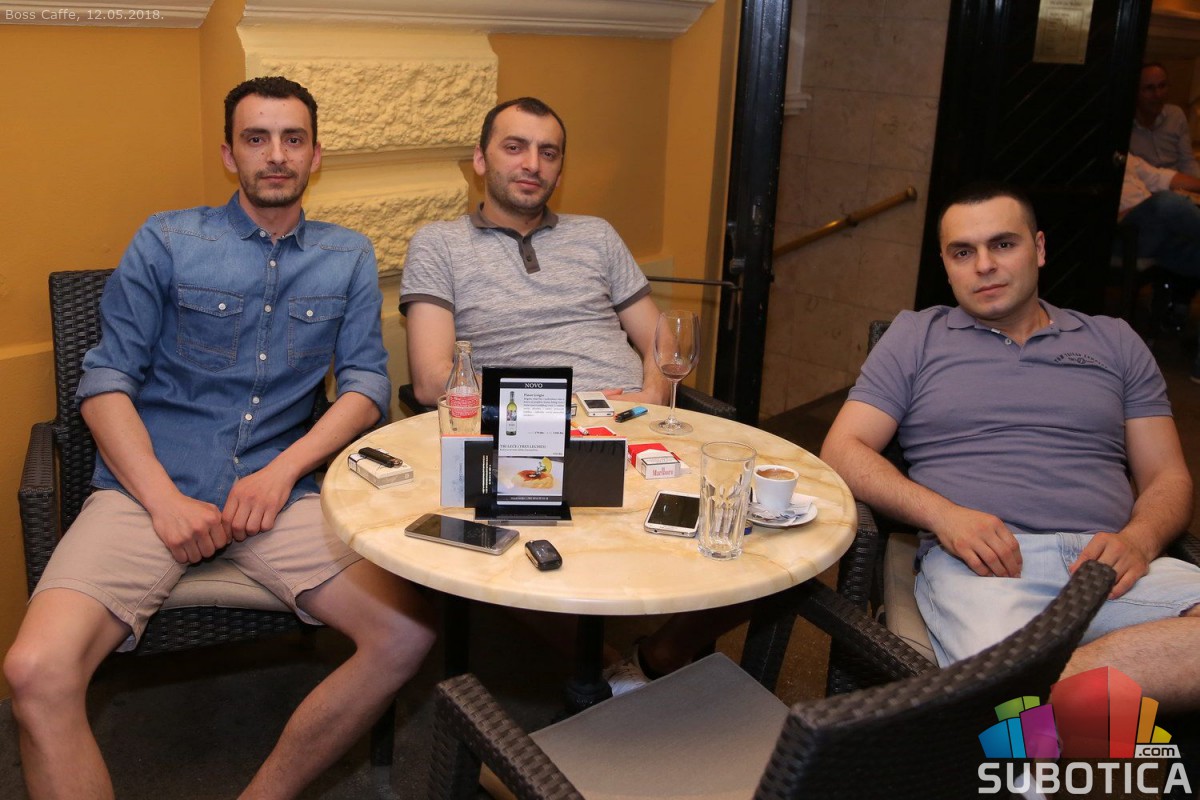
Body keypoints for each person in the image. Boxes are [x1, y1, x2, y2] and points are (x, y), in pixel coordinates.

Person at [2, 76, 436, 799]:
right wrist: (164, 500)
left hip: (280, 497)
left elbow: (365, 386)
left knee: (407, 635)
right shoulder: (168, 239)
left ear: (315, 155)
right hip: (147, 492)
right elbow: (103, 385)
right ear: (230, 154)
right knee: (33, 671)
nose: (276, 155)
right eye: (256, 138)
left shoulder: (349, 255)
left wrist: (280, 473)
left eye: (293, 139)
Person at [820, 182, 1200, 711]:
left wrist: (1140, 539)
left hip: (1111, 565)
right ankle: (1057, 702)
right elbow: (843, 449)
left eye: (1002, 244)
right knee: (1018, 698)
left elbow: (1168, 476)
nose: (984, 265)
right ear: (946, 266)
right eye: (962, 252)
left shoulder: (1114, 342)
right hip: (984, 569)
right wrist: (944, 516)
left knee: (1010, 700)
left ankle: (1037, 695)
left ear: (1038, 249)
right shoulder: (916, 337)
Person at [399, 96, 668, 407]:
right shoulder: (439, 244)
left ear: (560, 173)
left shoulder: (598, 234)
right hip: (524, 426)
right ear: (481, 160)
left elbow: (663, 341)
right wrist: (560, 403)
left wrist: (653, 395)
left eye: (548, 153)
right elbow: (431, 380)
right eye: (514, 147)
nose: (533, 165)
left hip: (633, 415)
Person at [1119, 152, 1200, 381]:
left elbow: (1162, 176)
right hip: (1122, 234)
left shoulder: (1127, 157)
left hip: (1160, 235)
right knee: (1167, 202)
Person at [1130, 63, 1200, 178]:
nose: (1158, 94)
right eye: (1149, 88)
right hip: (1145, 185)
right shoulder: (1124, 127)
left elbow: (1187, 163)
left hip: (1180, 183)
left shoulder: (1175, 115)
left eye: (1162, 86)